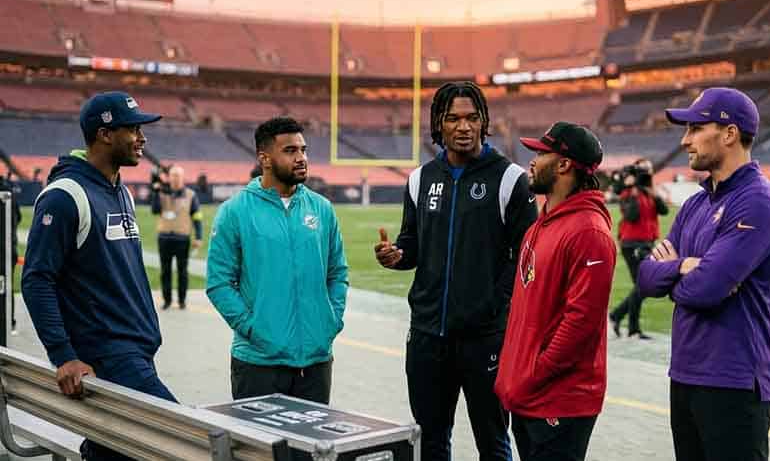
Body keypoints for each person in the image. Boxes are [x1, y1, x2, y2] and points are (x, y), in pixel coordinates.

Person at [374, 81, 537, 461]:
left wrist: (495, 306)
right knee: (431, 440)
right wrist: (397, 254)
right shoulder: (419, 179)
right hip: (428, 336)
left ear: (483, 123)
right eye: (453, 119)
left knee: (494, 443)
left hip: (485, 339)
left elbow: (525, 256)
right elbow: (411, 243)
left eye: (471, 118)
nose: (463, 127)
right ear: (439, 125)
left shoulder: (510, 179)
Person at [22, 91, 176, 461]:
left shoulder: (119, 189)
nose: (143, 138)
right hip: (108, 356)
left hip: (136, 350)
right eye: (133, 129)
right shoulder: (65, 195)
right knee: (183, 438)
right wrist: (63, 355)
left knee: (113, 452)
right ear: (105, 134)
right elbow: (36, 279)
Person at [638, 87, 770, 461]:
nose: (684, 140)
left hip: (734, 381)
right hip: (685, 374)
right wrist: (681, 267)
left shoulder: (758, 200)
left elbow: (706, 289)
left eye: (694, 128)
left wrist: (676, 275)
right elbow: (645, 277)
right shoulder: (695, 203)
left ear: (729, 134)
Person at [494, 122, 616, 461]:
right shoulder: (541, 223)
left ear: (564, 164)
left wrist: (533, 372)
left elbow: (581, 324)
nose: (532, 161)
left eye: (541, 153)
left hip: (559, 399)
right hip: (529, 394)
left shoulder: (589, 232)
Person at [206, 116, 348, 404]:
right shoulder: (235, 211)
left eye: (303, 150)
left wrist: (330, 322)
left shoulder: (322, 209)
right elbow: (219, 283)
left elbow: (338, 274)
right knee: (259, 449)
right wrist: (252, 328)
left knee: (311, 449)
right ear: (265, 159)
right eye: (290, 151)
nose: (301, 158)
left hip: (316, 361)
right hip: (259, 362)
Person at [609, 158, 668, 339]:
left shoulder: (648, 192)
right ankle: (632, 328)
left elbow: (664, 210)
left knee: (643, 285)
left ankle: (617, 316)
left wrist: (654, 192)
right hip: (632, 243)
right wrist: (633, 191)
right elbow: (632, 216)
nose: (646, 174)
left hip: (647, 242)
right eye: (643, 170)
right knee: (644, 284)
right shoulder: (628, 193)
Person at [152, 165, 202, 310]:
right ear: (169, 177)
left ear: (182, 178)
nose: (175, 178)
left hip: (182, 238)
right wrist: (155, 192)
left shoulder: (191, 195)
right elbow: (155, 210)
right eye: (173, 175)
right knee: (165, 271)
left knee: (182, 271)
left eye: (178, 176)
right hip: (164, 237)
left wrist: (198, 236)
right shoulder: (161, 193)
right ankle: (167, 300)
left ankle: (181, 300)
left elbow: (197, 216)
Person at [0, 174, 21, 334]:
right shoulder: (9, 191)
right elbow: (18, 217)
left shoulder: (5, 193)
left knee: (5, 286)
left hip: (4, 248)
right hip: (9, 246)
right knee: (7, 286)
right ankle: (10, 321)